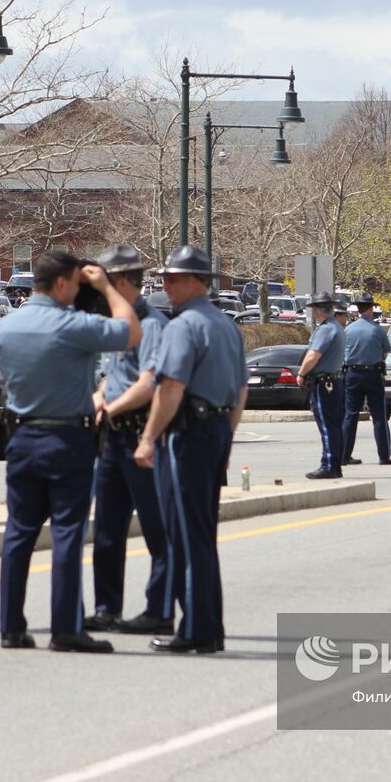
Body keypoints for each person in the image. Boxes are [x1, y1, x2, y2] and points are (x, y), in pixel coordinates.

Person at [0, 250, 141, 651]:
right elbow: (131, 332)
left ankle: (11, 627)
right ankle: (65, 629)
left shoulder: (6, 327)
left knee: (18, 535)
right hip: (67, 440)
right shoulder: (74, 325)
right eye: (76, 283)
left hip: (22, 437)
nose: (79, 291)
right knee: (67, 534)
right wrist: (107, 287)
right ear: (61, 283)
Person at [134, 246, 247, 654]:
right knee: (200, 533)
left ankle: (197, 630)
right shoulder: (227, 325)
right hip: (213, 429)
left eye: (174, 278)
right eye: (165, 278)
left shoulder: (183, 327)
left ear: (197, 282)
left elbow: (170, 387)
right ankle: (207, 627)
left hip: (187, 435)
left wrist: (148, 437)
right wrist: (227, 440)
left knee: (185, 535)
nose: (166, 285)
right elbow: (239, 391)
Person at [84, 244, 174, 636]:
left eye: (103, 282)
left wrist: (113, 407)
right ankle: (107, 608)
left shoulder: (152, 325)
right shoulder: (122, 324)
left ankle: (159, 610)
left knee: (157, 529)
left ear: (120, 281)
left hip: (140, 433)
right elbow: (116, 375)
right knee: (107, 528)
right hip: (112, 438)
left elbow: (149, 383)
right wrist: (99, 396)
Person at [296, 291, 346, 479]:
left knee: (327, 425)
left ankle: (329, 465)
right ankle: (334, 463)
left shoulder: (325, 329)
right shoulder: (336, 327)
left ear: (317, 310)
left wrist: (301, 373)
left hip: (325, 383)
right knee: (333, 424)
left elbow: (313, 355)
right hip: (334, 381)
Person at [341, 292, 391, 466]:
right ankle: (384, 456)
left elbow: (343, 352)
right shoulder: (377, 329)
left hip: (352, 374)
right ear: (371, 308)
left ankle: (344, 454)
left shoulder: (348, 329)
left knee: (350, 414)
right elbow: (385, 352)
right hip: (372, 373)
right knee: (378, 415)